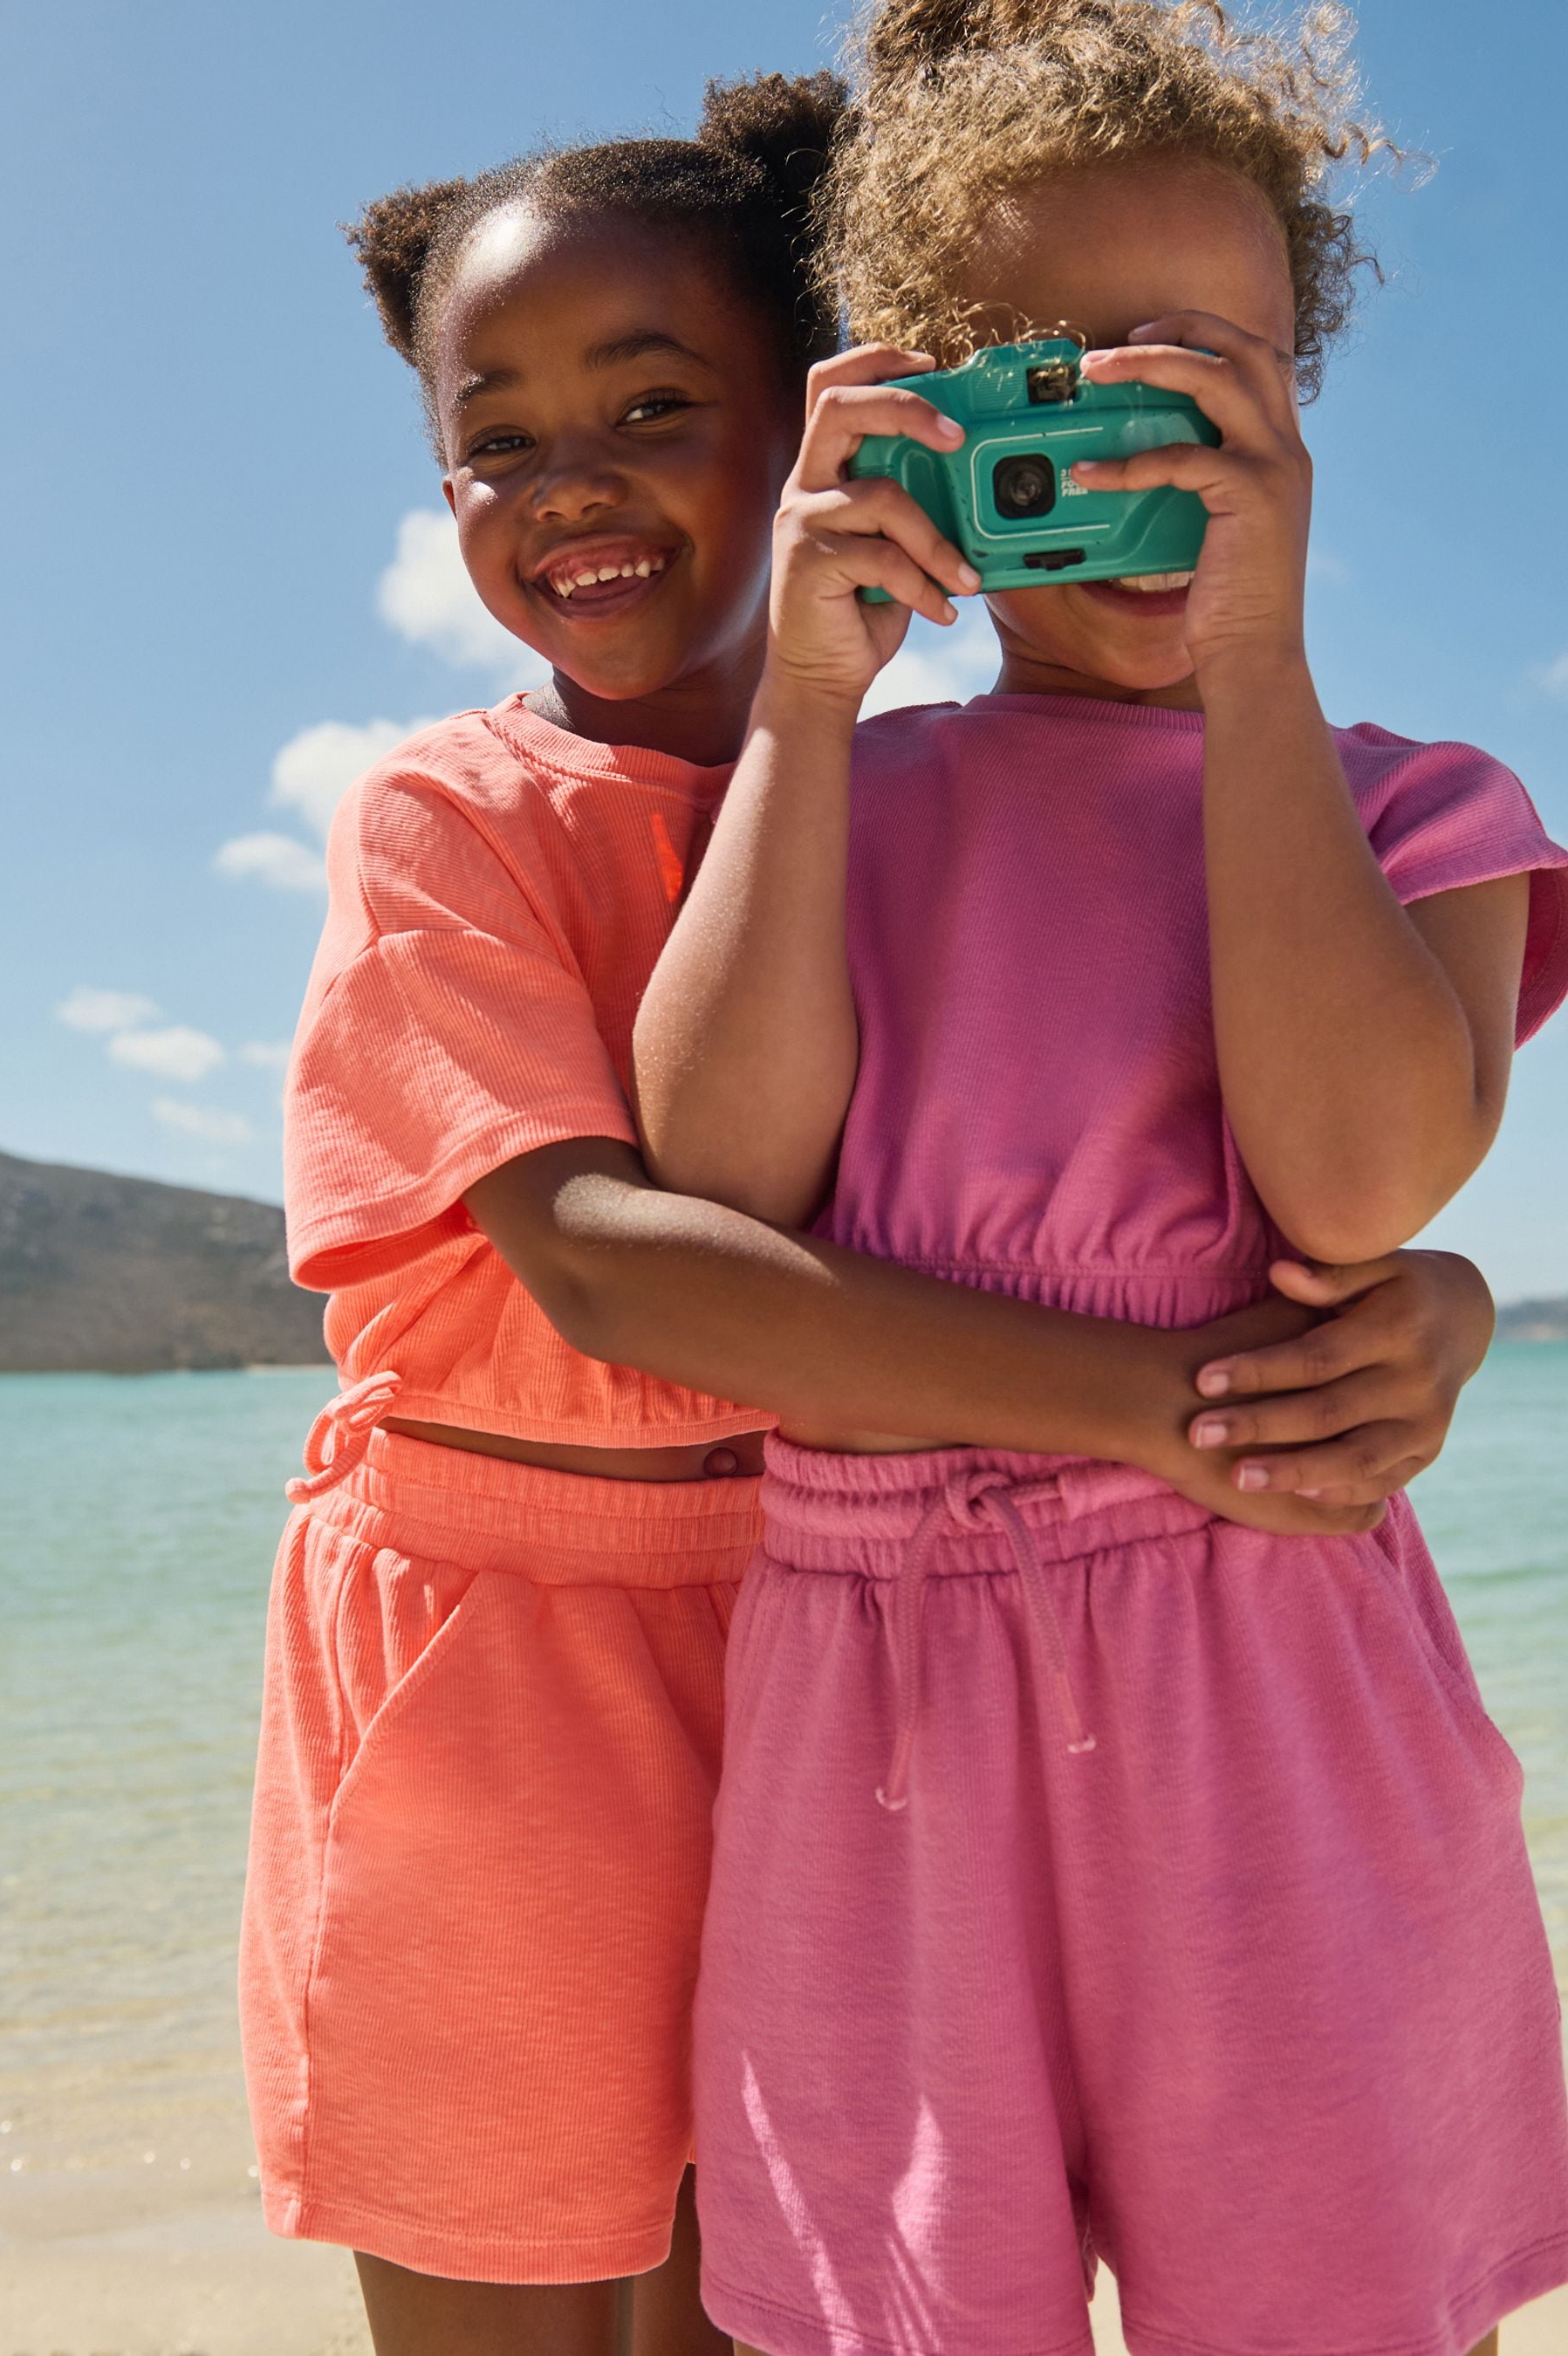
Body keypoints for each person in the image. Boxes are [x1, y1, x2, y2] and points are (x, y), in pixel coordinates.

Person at [632, 7, 1568, 2355]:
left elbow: (1354, 1189)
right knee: (903, 2303)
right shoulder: (844, 794)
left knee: (1331, 2287)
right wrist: (810, 703)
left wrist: (1255, 663)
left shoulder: (1410, 804)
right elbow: (723, 1169)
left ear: (1299, 417)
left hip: (1271, 1669)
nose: (1143, 453)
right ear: (930, 426)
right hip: (875, 1711)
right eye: (1069, 393)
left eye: (1210, 384)